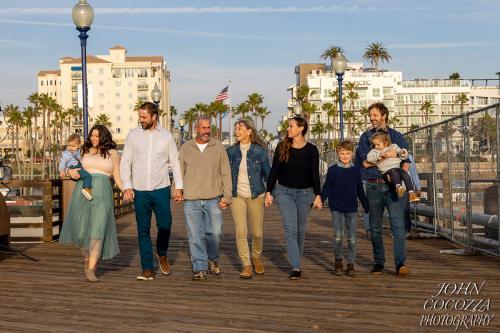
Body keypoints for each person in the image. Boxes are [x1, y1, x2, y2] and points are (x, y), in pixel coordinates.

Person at [120, 102, 183, 281]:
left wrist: (178, 186)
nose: (141, 120)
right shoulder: (133, 136)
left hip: (161, 188)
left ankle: (161, 253)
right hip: (140, 190)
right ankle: (147, 268)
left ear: (154, 117)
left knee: (165, 225)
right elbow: (126, 161)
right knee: (143, 229)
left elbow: (175, 161)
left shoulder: (166, 136)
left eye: (144, 117)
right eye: (140, 117)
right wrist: (127, 185)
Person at [60, 125, 124, 282]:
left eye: (97, 136)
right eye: (92, 136)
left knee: (98, 229)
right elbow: (69, 168)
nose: (94, 138)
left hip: (102, 193)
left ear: (104, 137)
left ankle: (91, 270)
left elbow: (117, 175)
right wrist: (69, 172)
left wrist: (126, 190)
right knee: (82, 229)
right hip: (83, 191)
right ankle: (87, 258)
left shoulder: (113, 153)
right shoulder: (84, 151)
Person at [265, 116, 322, 280]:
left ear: (301, 128)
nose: (288, 129)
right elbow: (274, 171)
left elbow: (314, 175)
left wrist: (318, 195)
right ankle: (296, 267)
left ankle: (295, 260)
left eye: (291, 126)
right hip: (284, 192)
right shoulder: (282, 147)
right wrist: (269, 191)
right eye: (288, 126)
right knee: (290, 230)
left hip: (305, 194)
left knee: (300, 231)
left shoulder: (312, 150)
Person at [356, 102, 410, 276]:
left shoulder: (397, 136)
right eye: (370, 116)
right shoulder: (366, 138)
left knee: (397, 225)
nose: (371, 119)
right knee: (375, 227)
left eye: (374, 115)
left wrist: (399, 175)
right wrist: (388, 155)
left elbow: (406, 161)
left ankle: (400, 263)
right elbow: (365, 163)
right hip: (373, 184)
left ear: (384, 116)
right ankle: (378, 262)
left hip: (395, 187)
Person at [178, 116, 232, 280]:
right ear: (196, 129)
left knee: (214, 233)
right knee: (195, 236)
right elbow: (179, 172)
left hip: (213, 198)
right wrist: (177, 190)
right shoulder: (186, 148)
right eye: (203, 128)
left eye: (209, 128)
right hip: (191, 200)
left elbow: (226, 173)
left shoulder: (218, 147)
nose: (206, 131)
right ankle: (199, 267)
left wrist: (227, 196)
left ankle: (213, 259)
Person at [227, 119, 271, 279]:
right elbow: (225, 175)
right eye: (235, 129)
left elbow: (268, 174)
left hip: (256, 195)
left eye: (239, 128)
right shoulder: (231, 152)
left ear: (249, 131)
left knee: (257, 233)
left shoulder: (260, 152)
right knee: (240, 231)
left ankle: (256, 257)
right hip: (237, 195)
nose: (236, 131)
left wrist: (270, 193)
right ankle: (246, 264)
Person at [321, 140, 368, 277]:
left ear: (352, 154)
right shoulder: (333, 170)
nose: (345, 156)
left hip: (351, 208)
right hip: (336, 207)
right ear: (337, 154)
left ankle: (351, 264)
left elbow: (359, 189)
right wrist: (321, 199)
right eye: (342, 153)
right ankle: (338, 261)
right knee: (337, 236)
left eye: (348, 153)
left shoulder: (355, 171)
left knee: (352, 237)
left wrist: (365, 204)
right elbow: (327, 187)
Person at [366, 131, 420, 203]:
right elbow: (369, 158)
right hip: (386, 171)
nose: (376, 146)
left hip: (397, 167)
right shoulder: (375, 151)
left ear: (385, 142)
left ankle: (411, 194)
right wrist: (380, 155)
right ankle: (398, 187)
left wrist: (402, 152)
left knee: (406, 175)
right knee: (394, 173)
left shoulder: (393, 146)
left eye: (378, 144)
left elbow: (401, 154)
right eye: (374, 145)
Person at [59, 133, 93, 200]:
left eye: (73, 146)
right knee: (87, 175)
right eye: (69, 146)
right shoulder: (67, 154)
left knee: (85, 175)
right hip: (73, 169)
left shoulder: (78, 152)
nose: (70, 148)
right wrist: (61, 170)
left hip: (78, 168)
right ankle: (86, 188)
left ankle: (86, 188)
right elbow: (62, 163)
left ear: (79, 146)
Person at [400, 155, 421, 235]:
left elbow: (413, 172)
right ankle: (397, 231)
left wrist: (418, 187)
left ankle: (406, 230)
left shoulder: (409, 157)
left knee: (405, 209)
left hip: (406, 187)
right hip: (394, 187)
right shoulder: (390, 154)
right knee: (395, 210)